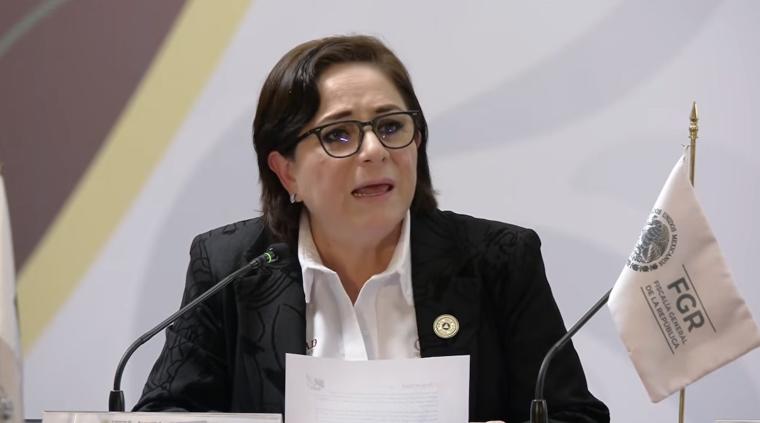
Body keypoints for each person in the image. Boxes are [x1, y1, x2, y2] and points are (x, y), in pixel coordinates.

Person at [134, 35, 610, 422]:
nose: (374, 151)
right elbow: (162, 416)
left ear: (416, 142)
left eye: (390, 127)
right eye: (338, 134)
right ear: (287, 171)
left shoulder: (498, 259)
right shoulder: (230, 267)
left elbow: (574, 415)